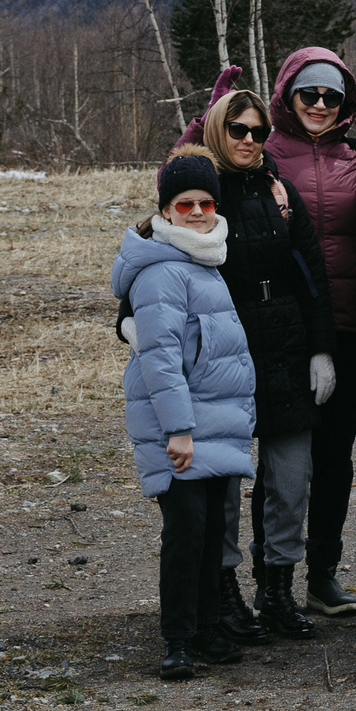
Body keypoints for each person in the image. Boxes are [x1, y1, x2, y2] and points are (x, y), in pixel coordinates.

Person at [196, 95, 336, 643]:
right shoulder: (199, 191)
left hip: (285, 343)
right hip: (223, 347)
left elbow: (312, 273)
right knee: (225, 480)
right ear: (218, 129)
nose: (250, 140)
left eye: (258, 131)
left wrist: (322, 349)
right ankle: (223, 590)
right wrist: (132, 319)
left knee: (291, 478)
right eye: (238, 129)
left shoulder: (281, 191)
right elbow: (156, 257)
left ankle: (278, 588)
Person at [114, 153, 258, 679]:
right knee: (186, 532)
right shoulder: (162, 272)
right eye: (184, 204)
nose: (197, 212)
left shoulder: (205, 261)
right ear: (165, 212)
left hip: (212, 424)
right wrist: (178, 430)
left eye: (206, 202)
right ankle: (177, 640)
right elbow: (161, 360)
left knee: (210, 530)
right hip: (181, 428)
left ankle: (206, 629)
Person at [264, 49, 356, 622]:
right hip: (284, 326)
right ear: (288, 94)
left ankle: (322, 573)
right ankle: (271, 576)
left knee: (335, 454)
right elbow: (182, 181)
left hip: (348, 323)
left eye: (333, 96)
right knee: (283, 455)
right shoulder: (260, 153)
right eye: (310, 93)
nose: (321, 105)